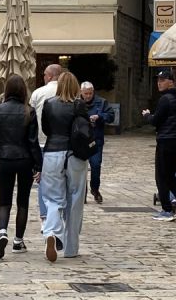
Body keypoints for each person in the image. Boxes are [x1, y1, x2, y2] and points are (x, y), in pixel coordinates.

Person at [0, 74, 42, 258]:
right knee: (23, 202)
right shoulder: (29, 111)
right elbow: (33, 142)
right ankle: (18, 240)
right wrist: (38, 165)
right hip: (24, 159)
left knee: (4, 201)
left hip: (5, 159)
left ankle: (2, 232)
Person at [39, 70, 91, 262]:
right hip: (75, 155)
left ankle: (51, 232)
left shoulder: (49, 104)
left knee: (53, 198)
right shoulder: (79, 104)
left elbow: (45, 129)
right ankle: (71, 247)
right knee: (75, 198)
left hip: (52, 152)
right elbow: (85, 130)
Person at [142, 69, 176, 221]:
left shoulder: (165, 99)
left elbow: (156, 120)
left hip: (167, 140)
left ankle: (167, 209)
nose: (159, 83)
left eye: (162, 80)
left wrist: (147, 115)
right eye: (158, 80)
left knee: (161, 176)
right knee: (169, 174)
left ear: (171, 81)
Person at [29, 63, 62, 219]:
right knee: (61, 180)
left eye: (44, 75)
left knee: (42, 179)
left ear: (49, 76)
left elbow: (30, 117)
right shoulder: (69, 93)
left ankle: (44, 215)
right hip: (63, 144)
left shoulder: (38, 93)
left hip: (41, 141)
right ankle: (59, 213)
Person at [79, 80, 115, 204]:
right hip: (81, 140)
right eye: (85, 93)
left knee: (95, 165)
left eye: (90, 93)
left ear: (93, 92)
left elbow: (111, 116)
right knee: (80, 167)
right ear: (81, 92)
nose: (88, 96)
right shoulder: (77, 103)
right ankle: (81, 192)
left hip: (96, 139)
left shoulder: (102, 102)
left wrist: (100, 117)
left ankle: (95, 189)